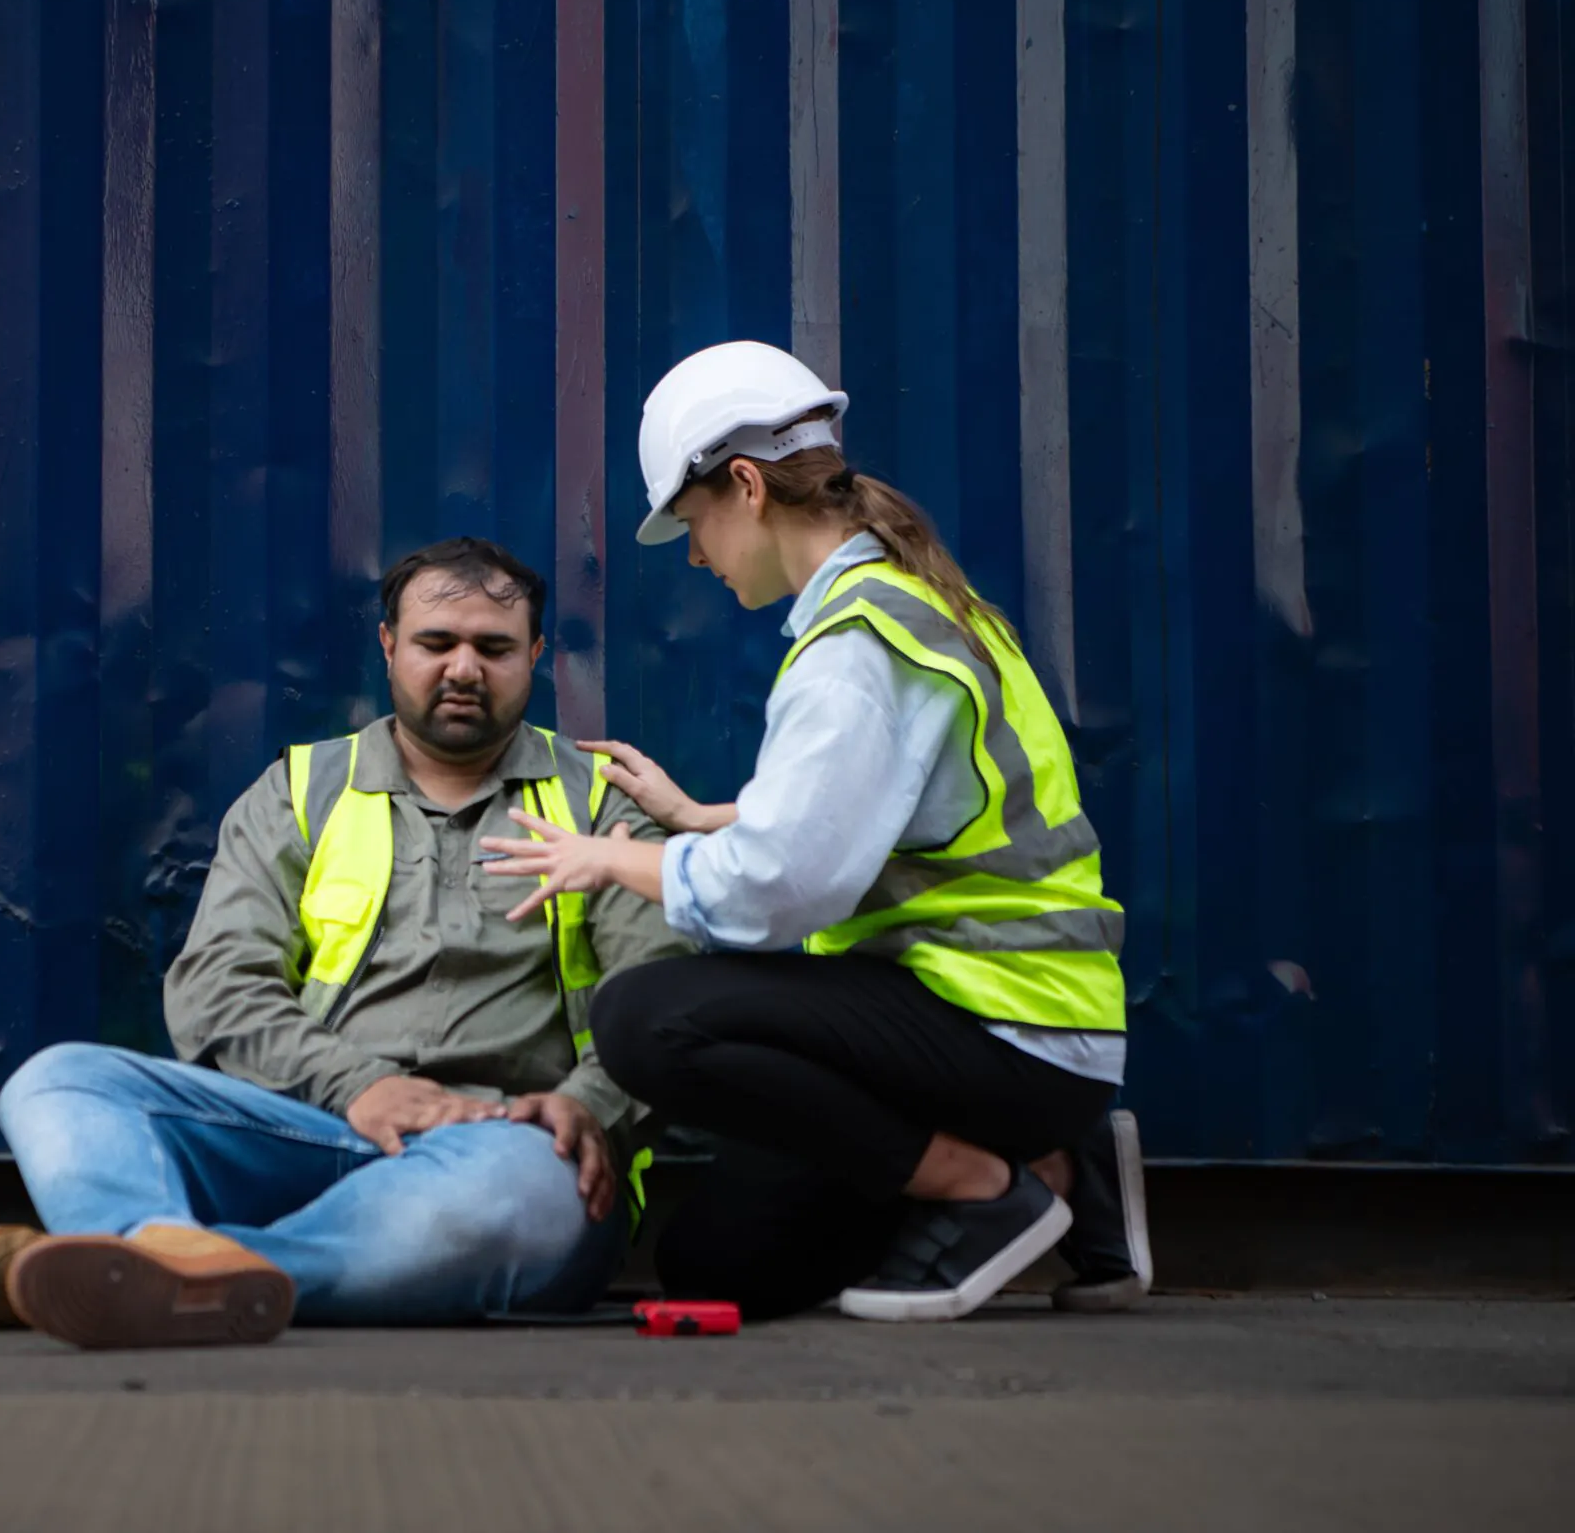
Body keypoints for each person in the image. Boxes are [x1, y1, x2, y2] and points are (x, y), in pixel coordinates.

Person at [476, 341, 1151, 1322]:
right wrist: (702, 818)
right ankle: (1061, 1168)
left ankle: (982, 1184)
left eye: (694, 523)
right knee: (721, 1260)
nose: (698, 556)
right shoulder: (919, 604)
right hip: (991, 1027)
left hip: (1006, 1028)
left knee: (641, 1017)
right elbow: (891, 811)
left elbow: (782, 889)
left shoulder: (858, 646)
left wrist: (616, 857)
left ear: (744, 484)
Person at [0, 538, 689, 1349]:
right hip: (313, 1128)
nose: (465, 668)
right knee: (60, 1081)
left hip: (503, 1148)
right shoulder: (301, 792)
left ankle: (145, 1268)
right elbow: (217, 986)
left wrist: (590, 1104)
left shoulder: (597, 800)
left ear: (537, 654)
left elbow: (659, 990)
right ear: (389, 645)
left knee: (520, 1198)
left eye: (494, 647)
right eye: (437, 643)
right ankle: (152, 1249)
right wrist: (357, 1085)